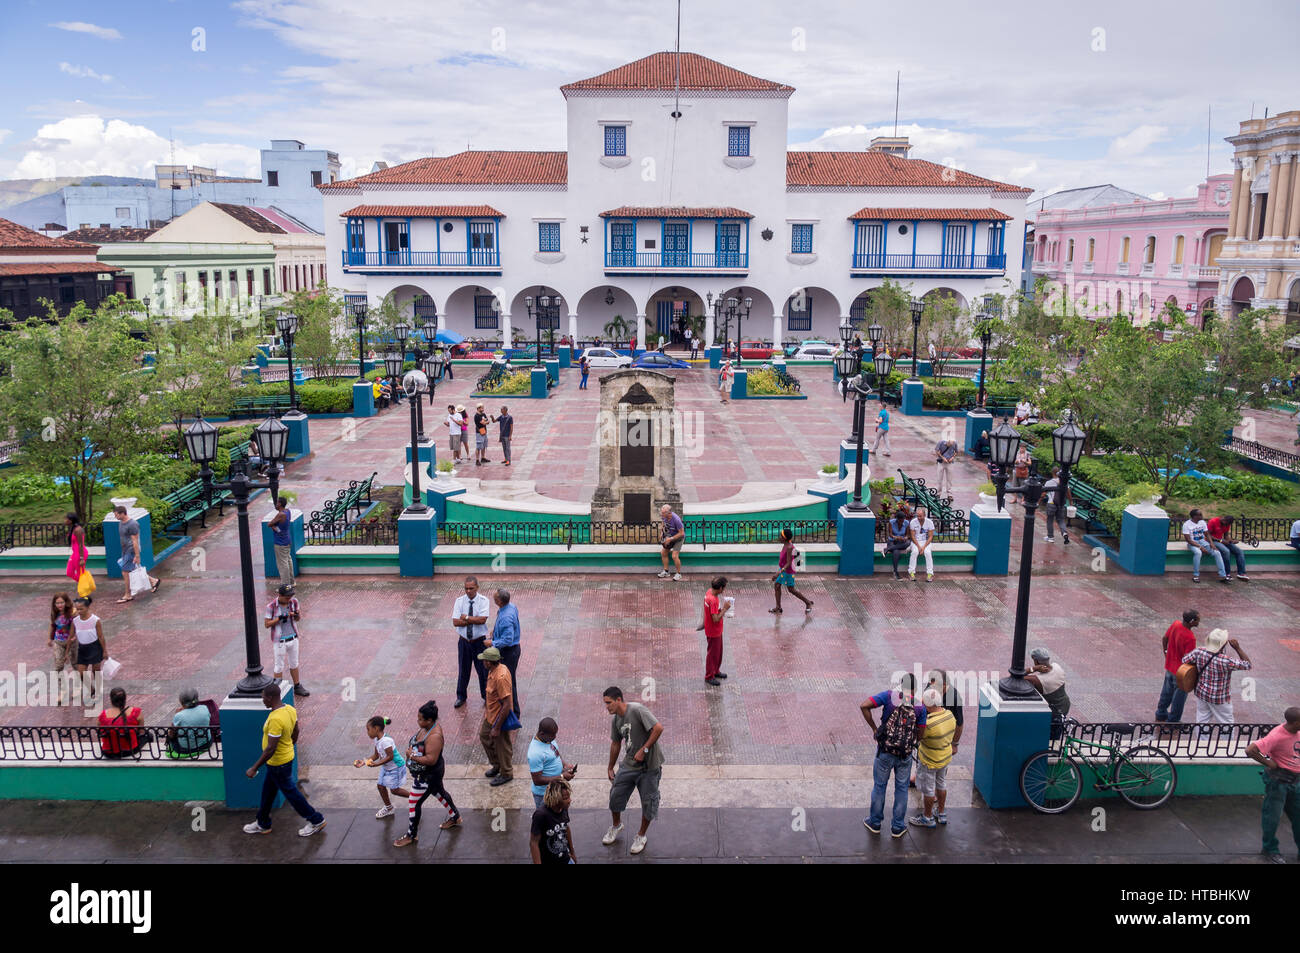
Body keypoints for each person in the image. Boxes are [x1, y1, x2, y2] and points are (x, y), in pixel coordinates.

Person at [243, 683, 326, 837]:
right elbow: (296, 731)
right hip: (283, 760)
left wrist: (254, 767)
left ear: (270, 697)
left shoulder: (275, 719)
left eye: (263, 698)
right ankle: (262, 822)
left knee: (292, 794)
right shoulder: (290, 710)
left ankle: (316, 820)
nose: (263, 701)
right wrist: (290, 744)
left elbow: (270, 748)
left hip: (278, 763)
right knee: (268, 792)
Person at [861, 674, 927, 837]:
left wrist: (875, 729)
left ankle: (875, 823)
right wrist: (910, 741)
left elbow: (864, 705)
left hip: (885, 750)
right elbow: (922, 733)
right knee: (902, 788)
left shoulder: (889, 696)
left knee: (879, 786)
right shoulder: (920, 707)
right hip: (904, 754)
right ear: (915, 689)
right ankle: (897, 826)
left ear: (901, 685)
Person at [602, 686, 664, 856]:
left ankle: (641, 836)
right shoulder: (616, 720)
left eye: (609, 703)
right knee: (615, 794)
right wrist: (610, 766)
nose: (607, 707)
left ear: (619, 700)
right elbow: (615, 743)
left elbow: (658, 728)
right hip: (629, 765)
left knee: (649, 802)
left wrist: (644, 750)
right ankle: (616, 825)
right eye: (605, 703)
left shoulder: (637, 710)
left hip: (649, 767)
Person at [394, 700, 460, 847]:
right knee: (439, 793)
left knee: (413, 802)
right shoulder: (427, 728)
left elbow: (431, 759)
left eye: (420, 719)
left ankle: (411, 835)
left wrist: (411, 756)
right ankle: (455, 817)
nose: (417, 721)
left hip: (427, 776)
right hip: (429, 774)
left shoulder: (435, 736)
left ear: (429, 720)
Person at [1246, 707, 1300, 864]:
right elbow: (1251, 749)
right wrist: (1269, 762)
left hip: (1296, 782)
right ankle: (1270, 849)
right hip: (1278, 782)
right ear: (1295, 723)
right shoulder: (1277, 735)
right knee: (1272, 818)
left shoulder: (1297, 732)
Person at [1181, 629, 1251, 724]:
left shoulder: (1199, 651)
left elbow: (1184, 660)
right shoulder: (1225, 661)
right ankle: (1226, 739)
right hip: (1219, 697)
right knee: (1226, 724)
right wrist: (1237, 648)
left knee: (1202, 721)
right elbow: (1247, 665)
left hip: (1201, 693)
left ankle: (1201, 739)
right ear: (1223, 644)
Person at [910, 686, 957, 828]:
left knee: (928, 789)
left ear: (928, 705)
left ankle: (927, 817)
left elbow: (918, 738)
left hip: (930, 761)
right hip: (945, 758)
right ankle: (941, 813)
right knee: (941, 784)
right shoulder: (950, 715)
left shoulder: (929, 723)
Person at [354, 715, 410, 819]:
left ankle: (415, 798)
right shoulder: (377, 739)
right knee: (380, 786)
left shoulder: (386, 741)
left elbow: (390, 756)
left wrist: (377, 764)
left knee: (394, 790)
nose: (367, 732)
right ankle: (389, 808)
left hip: (396, 767)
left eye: (368, 729)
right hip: (386, 766)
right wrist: (364, 762)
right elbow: (376, 755)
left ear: (376, 728)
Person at [452, 575, 491, 709]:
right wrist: (473, 619)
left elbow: (482, 620)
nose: (468, 591)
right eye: (466, 588)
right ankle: (461, 696)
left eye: (471, 588)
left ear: (477, 588)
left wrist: (466, 618)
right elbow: (455, 622)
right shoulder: (459, 601)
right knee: (463, 670)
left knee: (483, 671)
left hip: (479, 642)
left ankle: (486, 696)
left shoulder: (484, 601)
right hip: (464, 642)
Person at [478, 646, 515, 786]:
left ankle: (506, 773)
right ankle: (497, 764)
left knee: (502, 745)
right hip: (491, 715)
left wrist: (497, 727)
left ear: (490, 662)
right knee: (484, 737)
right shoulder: (494, 670)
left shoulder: (501, 677)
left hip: (499, 717)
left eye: (484, 660)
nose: (483, 662)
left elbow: (506, 704)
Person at [264, 583, 309, 697]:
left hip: (293, 638)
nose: (289, 599)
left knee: (294, 663)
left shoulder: (294, 602)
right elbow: (267, 624)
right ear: (279, 595)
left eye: (290, 596)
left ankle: (297, 686)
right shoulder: (271, 606)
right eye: (287, 597)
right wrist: (279, 618)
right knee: (279, 665)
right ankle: (277, 691)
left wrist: (296, 615)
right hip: (280, 641)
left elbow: (298, 619)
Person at [1156, 609, 1199, 723]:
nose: (1199, 621)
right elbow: (1188, 658)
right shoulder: (1190, 637)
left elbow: (1165, 638)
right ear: (1192, 621)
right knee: (1179, 698)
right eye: (1197, 620)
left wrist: (1166, 652)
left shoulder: (1175, 624)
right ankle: (1173, 720)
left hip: (1170, 666)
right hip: (1181, 672)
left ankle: (1161, 713)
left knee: (1166, 692)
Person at [527, 717, 576, 811]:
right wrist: (562, 776)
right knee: (546, 821)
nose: (555, 737)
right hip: (544, 795)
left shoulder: (548, 739)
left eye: (555, 734)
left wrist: (565, 766)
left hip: (557, 789)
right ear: (542, 733)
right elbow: (537, 780)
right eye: (552, 735)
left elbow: (555, 753)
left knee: (560, 817)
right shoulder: (535, 753)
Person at [486, 588, 521, 715]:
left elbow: (508, 639)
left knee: (508, 682)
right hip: (511, 649)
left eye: (495, 598)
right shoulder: (511, 607)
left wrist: (493, 643)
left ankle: (513, 712)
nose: (493, 599)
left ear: (499, 601)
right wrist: (495, 632)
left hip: (508, 652)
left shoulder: (506, 617)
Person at [114, 505, 159, 603]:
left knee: (125, 571)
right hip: (125, 550)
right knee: (133, 569)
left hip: (131, 551)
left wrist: (137, 555)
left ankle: (128, 594)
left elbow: (135, 541)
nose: (115, 517)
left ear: (122, 513)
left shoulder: (132, 524)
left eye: (116, 515)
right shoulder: (121, 523)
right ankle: (153, 581)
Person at [1025, 647, 1071, 737]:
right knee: (1057, 728)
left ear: (1036, 661)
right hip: (1065, 705)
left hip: (1053, 711)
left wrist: (1033, 669)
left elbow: (1017, 675)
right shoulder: (1057, 667)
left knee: (1049, 733)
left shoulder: (1038, 680)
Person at [531, 779, 577, 865]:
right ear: (556, 799)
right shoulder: (540, 815)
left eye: (569, 797)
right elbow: (534, 842)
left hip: (565, 859)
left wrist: (572, 852)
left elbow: (566, 828)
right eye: (566, 798)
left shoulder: (563, 809)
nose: (569, 800)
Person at [71, 596, 105, 705]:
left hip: (95, 647)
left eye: (81, 609)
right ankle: (91, 689)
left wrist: (105, 651)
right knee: (81, 672)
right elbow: (71, 635)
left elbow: (101, 636)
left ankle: (98, 692)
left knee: (96, 671)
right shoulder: (75, 621)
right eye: (77, 609)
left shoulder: (95, 620)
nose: (79, 611)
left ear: (87, 607)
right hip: (82, 649)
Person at [697, 575, 730, 685]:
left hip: (716, 630)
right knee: (712, 654)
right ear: (720, 588)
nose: (724, 590)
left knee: (718, 652)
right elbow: (715, 618)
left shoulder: (709, 592)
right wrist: (725, 609)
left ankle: (715, 671)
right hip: (714, 631)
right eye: (724, 588)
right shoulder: (713, 600)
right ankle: (709, 676)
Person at [771, 528, 813, 613]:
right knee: (777, 585)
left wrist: (778, 572)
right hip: (784, 570)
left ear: (784, 538)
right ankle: (778, 607)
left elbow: (789, 563)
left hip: (788, 571)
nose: (779, 537)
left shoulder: (789, 547)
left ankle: (808, 603)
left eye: (781, 536)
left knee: (791, 589)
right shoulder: (785, 544)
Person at [1183, 508, 1228, 584]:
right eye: (1200, 514)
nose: (1202, 516)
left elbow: (1207, 534)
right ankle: (1196, 575)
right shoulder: (1186, 525)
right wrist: (1200, 547)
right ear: (1194, 516)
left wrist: (1212, 544)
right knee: (1198, 553)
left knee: (1217, 552)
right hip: (1193, 543)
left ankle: (1222, 576)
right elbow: (1188, 540)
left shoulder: (1202, 522)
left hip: (1203, 542)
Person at [98, 687, 142, 758]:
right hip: (130, 750)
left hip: (108, 752)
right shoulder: (136, 712)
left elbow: (100, 732)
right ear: (125, 699)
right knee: (148, 736)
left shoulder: (102, 716)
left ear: (111, 700)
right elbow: (141, 731)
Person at [168, 688, 212, 756]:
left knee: (172, 738)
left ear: (181, 702)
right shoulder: (204, 708)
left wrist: (176, 714)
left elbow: (171, 734)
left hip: (187, 748)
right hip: (206, 744)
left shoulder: (179, 716)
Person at [48, 592, 74, 706]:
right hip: (58, 641)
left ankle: (83, 687)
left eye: (62, 602)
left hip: (72, 642)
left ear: (66, 602)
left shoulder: (72, 613)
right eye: (57, 603)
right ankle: (63, 691)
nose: (59, 605)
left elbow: (77, 627)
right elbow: (52, 625)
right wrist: (50, 638)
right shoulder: (54, 613)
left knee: (77, 666)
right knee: (58, 667)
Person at [1206, 514, 1250, 581]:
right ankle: (1227, 573)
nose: (1226, 526)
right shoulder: (1213, 521)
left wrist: (1231, 541)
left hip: (1221, 540)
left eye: (1228, 525)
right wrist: (1220, 540)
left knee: (1239, 551)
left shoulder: (1227, 523)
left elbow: (1226, 535)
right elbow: (1207, 534)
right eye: (1226, 524)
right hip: (1212, 541)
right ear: (1224, 520)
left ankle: (1241, 573)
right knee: (1226, 551)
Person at [1042, 466, 1071, 544]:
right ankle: (1064, 533)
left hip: (1051, 503)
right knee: (1061, 520)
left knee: (1050, 520)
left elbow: (1044, 493)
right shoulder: (1064, 482)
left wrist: (1038, 501)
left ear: (1052, 473)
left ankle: (1050, 537)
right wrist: (1071, 502)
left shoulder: (1049, 482)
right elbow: (1068, 492)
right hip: (1061, 504)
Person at [908, 504, 936, 582]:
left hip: (926, 542)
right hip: (915, 541)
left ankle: (930, 574)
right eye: (918, 516)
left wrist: (923, 547)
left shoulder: (929, 522)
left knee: (927, 552)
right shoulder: (913, 522)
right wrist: (918, 546)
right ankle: (911, 572)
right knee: (914, 552)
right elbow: (912, 536)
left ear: (925, 515)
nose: (919, 518)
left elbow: (930, 537)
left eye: (921, 516)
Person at [269, 496, 294, 581]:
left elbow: (270, 524)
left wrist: (274, 526)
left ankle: (285, 584)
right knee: (288, 561)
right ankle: (291, 581)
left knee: (282, 564)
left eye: (276, 503)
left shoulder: (280, 514)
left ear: (279, 504)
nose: (275, 505)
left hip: (280, 543)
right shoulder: (288, 512)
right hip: (287, 539)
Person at [658, 504, 685, 581]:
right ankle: (666, 572)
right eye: (662, 512)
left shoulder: (676, 519)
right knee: (663, 553)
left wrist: (671, 539)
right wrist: (662, 533)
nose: (661, 514)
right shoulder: (664, 517)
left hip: (678, 538)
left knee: (674, 556)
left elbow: (682, 533)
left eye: (663, 513)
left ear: (668, 513)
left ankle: (678, 573)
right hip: (669, 537)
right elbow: (663, 524)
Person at [883, 509, 911, 580]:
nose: (902, 522)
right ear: (897, 519)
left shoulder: (906, 523)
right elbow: (890, 534)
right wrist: (896, 537)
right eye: (900, 520)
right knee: (896, 552)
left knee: (908, 542)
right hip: (893, 541)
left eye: (903, 520)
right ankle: (895, 572)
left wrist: (905, 538)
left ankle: (887, 549)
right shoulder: (891, 522)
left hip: (901, 542)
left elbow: (908, 535)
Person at [64, 513, 88, 586]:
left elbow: (81, 544)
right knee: (69, 572)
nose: (65, 520)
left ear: (71, 520)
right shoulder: (73, 528)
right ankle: (86, 585)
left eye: (66, 519)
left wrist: (81, 558)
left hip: (80, 554)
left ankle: (84, 592)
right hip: (75, 553)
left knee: (80, 574)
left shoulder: (78, 530)